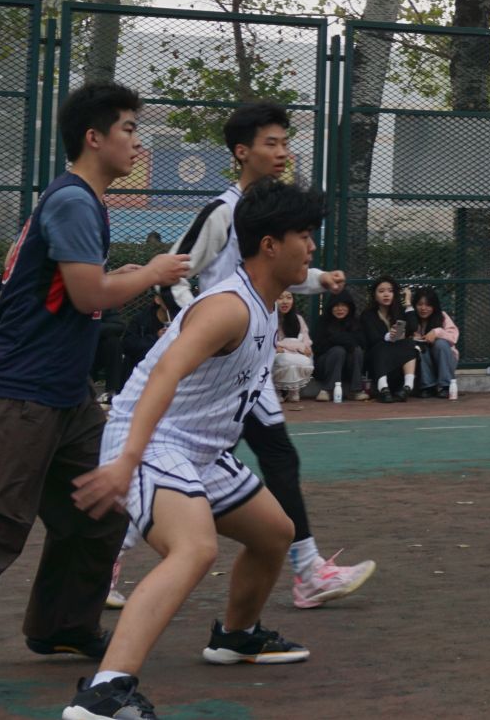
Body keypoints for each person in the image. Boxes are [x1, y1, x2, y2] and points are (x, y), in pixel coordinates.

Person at [0, 83, 189, 710]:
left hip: (63, 398)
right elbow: (89, 295)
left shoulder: (82, 201)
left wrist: (128, 276)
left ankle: (61, 625)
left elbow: (72, 294)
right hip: (15, 397)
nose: (137, 142)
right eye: (129, 129)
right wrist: (151, 272)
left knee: (101, 507)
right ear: (94, 137)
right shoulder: (75, 201)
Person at [61, 179, 327, 720]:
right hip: (151, 438)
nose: (312, 245)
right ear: (269, 245)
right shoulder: (228, 307)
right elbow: (165, 372)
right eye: (303, 234)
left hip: (199, 449)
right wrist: (128, 459)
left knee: (275, 533)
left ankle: (236, 636)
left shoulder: (265, 303)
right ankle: (104, 694)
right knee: (194, 548)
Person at [156, 103, 372, 612]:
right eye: (271, 143)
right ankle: (108, 562)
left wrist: (318, 279)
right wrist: (201, 333)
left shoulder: (272, 211)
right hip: (217, 366)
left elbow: (272, 272)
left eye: (285, 143)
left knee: (270, 457)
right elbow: (170, 275)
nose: (282, 152)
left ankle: (308, 571)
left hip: (248, 366)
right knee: (177, 460)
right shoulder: (221, 211)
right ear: (241, 152)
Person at [361, 277, 416, 401]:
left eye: (390, 291)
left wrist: (408, 303)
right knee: (381, 347)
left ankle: (408, 387)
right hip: (377, 362)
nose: (386, 294)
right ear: (374, 295)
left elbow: (413, 327)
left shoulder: (399, 311)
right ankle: (383, 389)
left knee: (409, 344)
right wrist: (388, 336)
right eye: (381, 291)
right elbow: (372, 339)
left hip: (397, 361)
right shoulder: (368, 314)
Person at [312, 292, 366, 403]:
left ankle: (356, 390)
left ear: (349, 307)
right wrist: (339, 340)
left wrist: (341, 339)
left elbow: (362, 342)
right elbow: (317, 347)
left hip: (348, 366)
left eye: (343, 305)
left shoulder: (355, 322)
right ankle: (327, 390)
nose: (340, 309)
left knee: (356, 350)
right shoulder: (323, 322)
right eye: (336, 306)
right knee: (338, 351)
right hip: (326, 365)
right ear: (331, 307)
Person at [408, 287, 459, 399]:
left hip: (445, 360)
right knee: (419, 347)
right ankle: (428, 387)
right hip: (423, 363)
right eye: (420, 304)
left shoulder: (442, 316)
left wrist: (437, 332)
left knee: (440, 343)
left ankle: (445, 386)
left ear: (434, 306)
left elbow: (453, 337)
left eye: (428, 305)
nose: (423, 308)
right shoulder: (412, 319)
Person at [272, 294, 314, 410]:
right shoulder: (269, 317)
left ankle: (294, 390)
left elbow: (305, 339)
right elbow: (269, 343)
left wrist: (306, 348)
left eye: (289, 298)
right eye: (280, 297)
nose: (285, 301)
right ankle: (275, 390)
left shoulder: (298, 319)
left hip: (295, 352)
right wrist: (279, 347)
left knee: (305, 360)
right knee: (284, 359)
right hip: (277, 353)